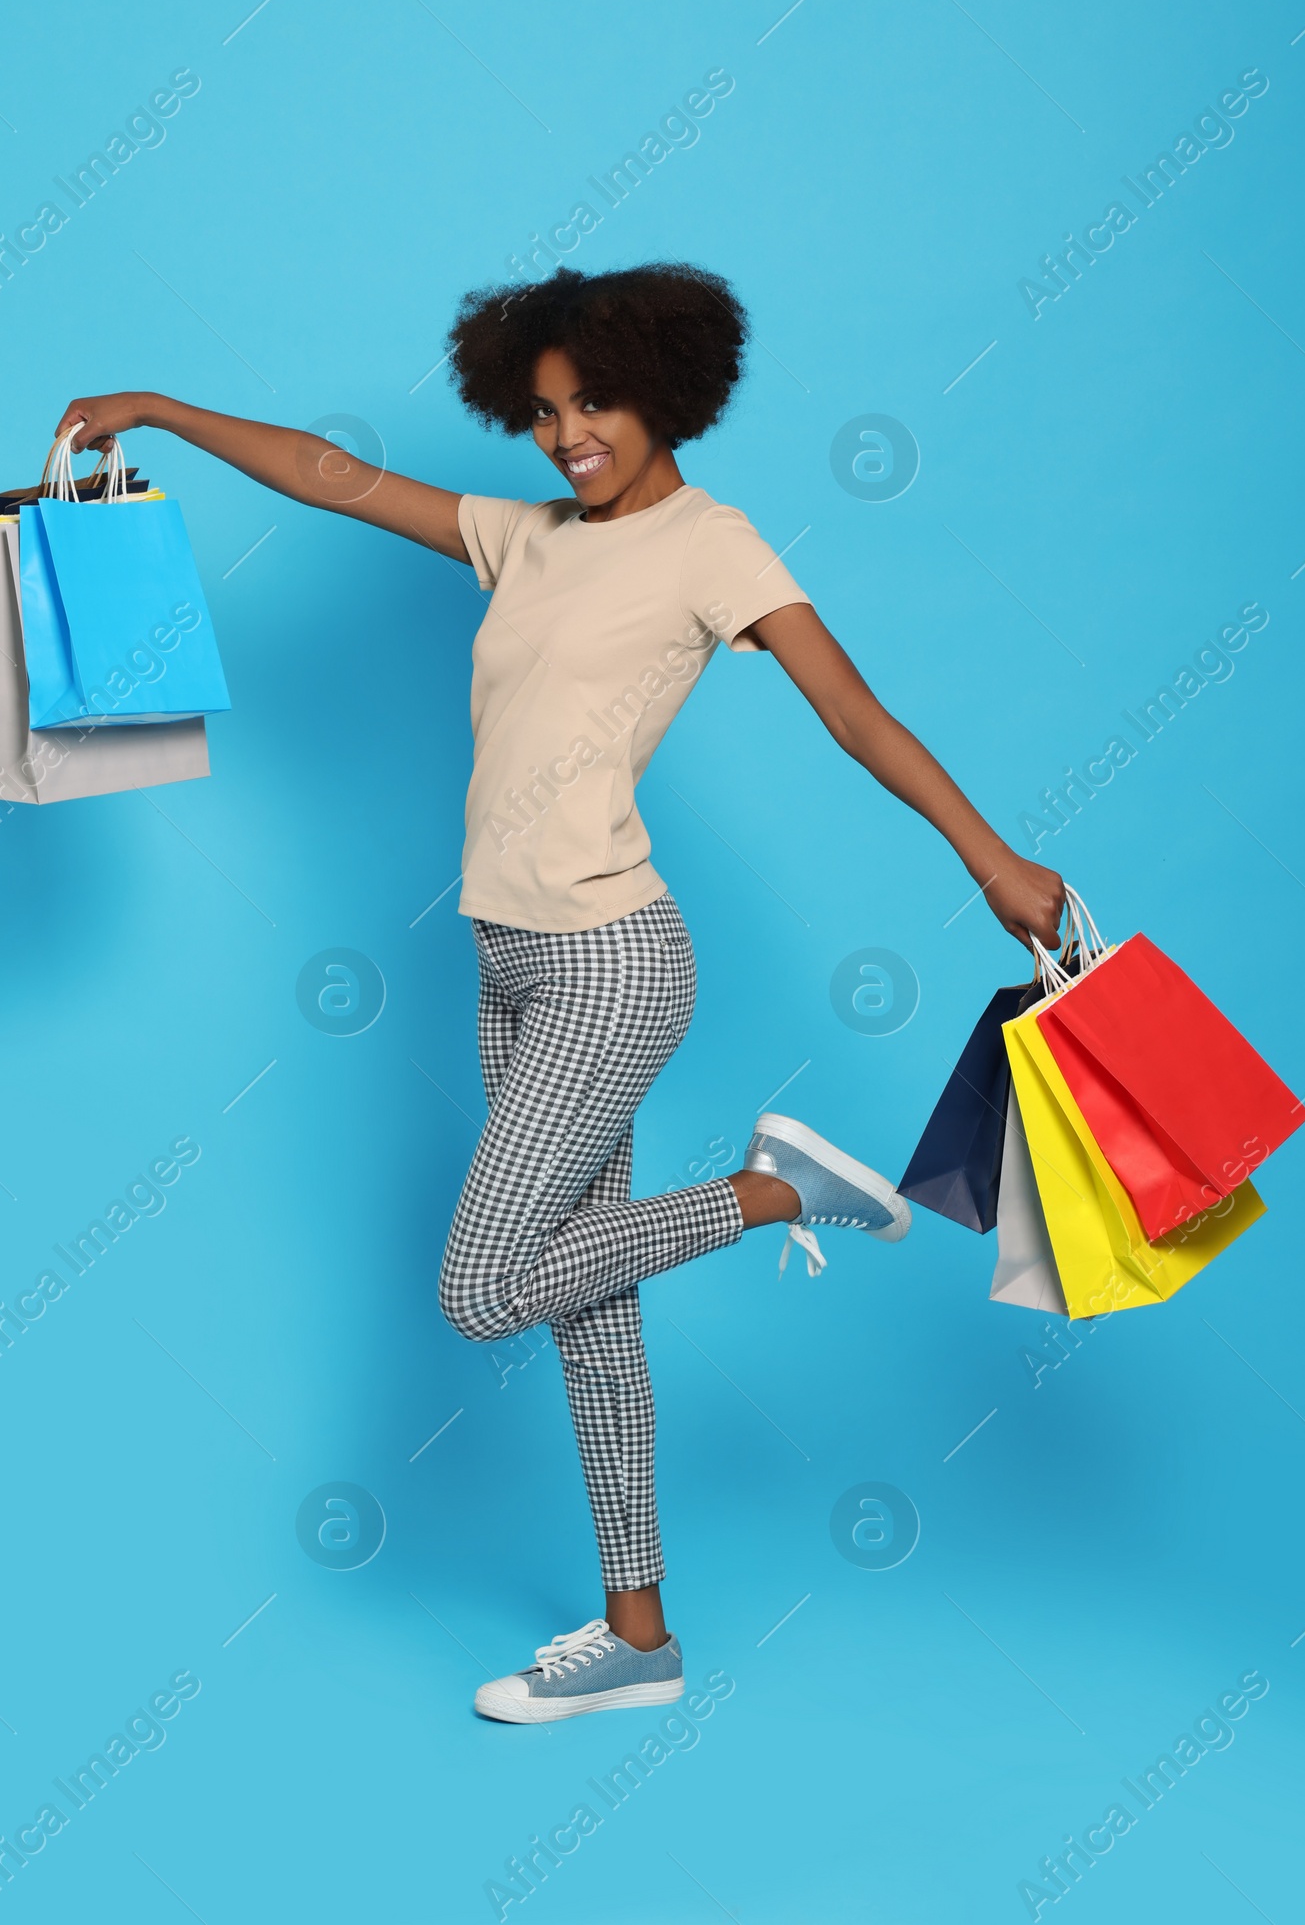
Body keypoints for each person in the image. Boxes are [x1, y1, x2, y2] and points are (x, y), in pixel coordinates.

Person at [57, 261, 1063, 1724]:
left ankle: (779, 1192)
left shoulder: (714, 548)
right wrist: (155, 405)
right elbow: (334, 478)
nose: (565, 434)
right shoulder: (523, 538)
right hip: (509, 962)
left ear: (669, 389)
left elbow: (850, 712)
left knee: (480, 1290)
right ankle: (638, 1637)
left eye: (593, 401)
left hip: (612, 961)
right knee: (590, 1307)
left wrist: (991, 858)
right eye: (540, 411)